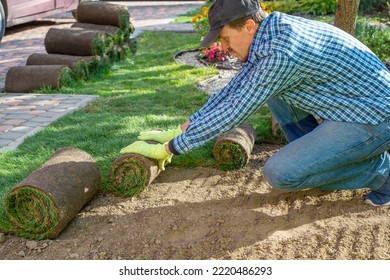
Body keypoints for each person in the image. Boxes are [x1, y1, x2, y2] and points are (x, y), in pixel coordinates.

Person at [120, 0, 390, 206]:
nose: (222, 47)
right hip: (353, 105)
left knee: (279, 174)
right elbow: (235, 90)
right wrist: (184, 128)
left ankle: (383, 174)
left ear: (249, 26)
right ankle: (320, 160)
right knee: (272, 92)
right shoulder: (274, 30)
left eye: (224, 38)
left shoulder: (280, 54)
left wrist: (171, 148)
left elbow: (236, 109)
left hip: (374, 117)